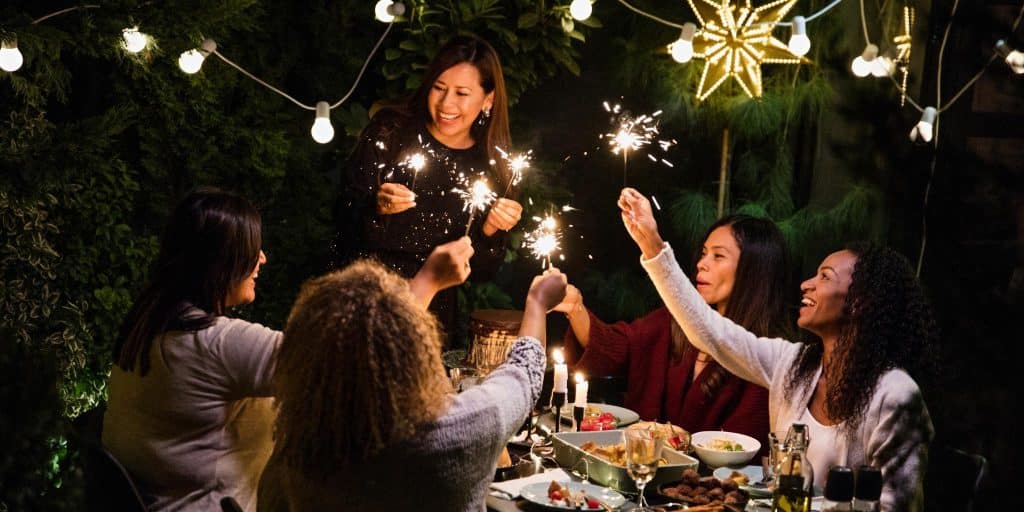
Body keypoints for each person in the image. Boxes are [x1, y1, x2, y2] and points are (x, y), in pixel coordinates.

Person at [103, 187, 473, 512]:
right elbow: (355, 354)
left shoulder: (150, 323)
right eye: (250, 250)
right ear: (219, 261)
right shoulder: (214, 344)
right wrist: (429, 281)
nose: (262, 258)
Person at [617, 187, 935, 511]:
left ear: (861, 303)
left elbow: (896, 505)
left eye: (824, 277)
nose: (806, 284)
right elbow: (710, 332)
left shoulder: (894, 395)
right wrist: (653, 246)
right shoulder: (794, 364)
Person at [257, 265, 567, 511]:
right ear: (414, 349)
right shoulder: (459, 430)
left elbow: (363, 343)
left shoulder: (300, 446)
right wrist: (537, 303)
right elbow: (525, 372)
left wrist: (429, 280)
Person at [337, 34, 524, 347]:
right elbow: (342, 218)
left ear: (488, 99)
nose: (446, 104)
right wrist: (376, 206)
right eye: (439, 88)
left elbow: (479, 272)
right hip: (360, 301)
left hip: (429, 322)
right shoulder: (391, 130)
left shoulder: (494, 170)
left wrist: (491, 230)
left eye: (462, 93)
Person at [556, 215, 789, 450]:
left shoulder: (768, 356)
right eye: (703, 253)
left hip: (712, 483)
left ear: (753, 270)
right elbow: (617, 346)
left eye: (718, 256)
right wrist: (575, 308)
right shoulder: (676, 321)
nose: (702, 264)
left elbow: (742, 449)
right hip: (642, 466)